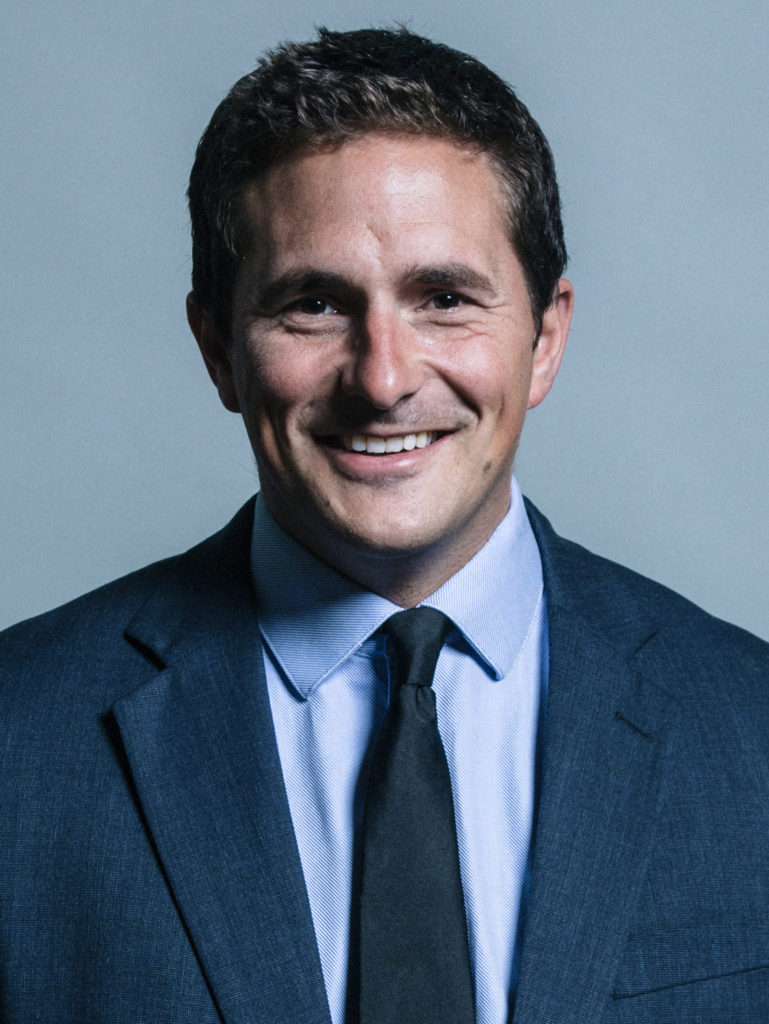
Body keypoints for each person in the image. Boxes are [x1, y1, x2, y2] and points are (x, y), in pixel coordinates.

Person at [1, 26, 768, 1024]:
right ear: (218, 348)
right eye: (314, 305)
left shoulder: (748, 727)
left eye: (444, 298)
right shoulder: (20, 740)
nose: (383, 379)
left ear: (544, 337)